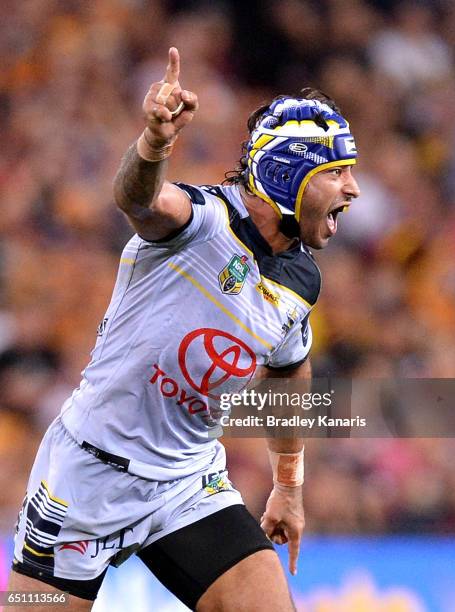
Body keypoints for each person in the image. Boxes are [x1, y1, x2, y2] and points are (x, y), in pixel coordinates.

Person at [8, 48, 360, 611]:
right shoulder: (200, 221)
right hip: (87, 476)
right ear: (290, 173)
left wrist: (288, 485)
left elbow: (289, 371)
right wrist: (154, 144)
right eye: (336, 172)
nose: (353, 190)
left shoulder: (301, 280)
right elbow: (139, 199)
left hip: (187, 484)